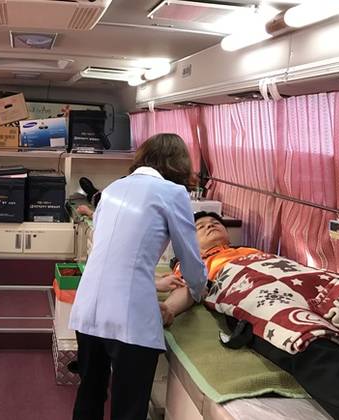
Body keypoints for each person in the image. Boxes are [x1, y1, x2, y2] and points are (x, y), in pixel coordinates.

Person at [68, 133, 208, 420]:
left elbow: (113, 254)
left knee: (90, 394)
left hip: (88, 309)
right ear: (179, 164)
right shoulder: (173, 193)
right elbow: (190, 259)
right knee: (129, 408)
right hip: (129, 317)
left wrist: (154, 282)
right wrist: (199, 290)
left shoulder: (113, 189)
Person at [164, 211, 339, 420]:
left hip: (304, 280)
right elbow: (187, 289)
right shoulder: (193, 263)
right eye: (200, 226)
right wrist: (169, 309)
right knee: (304, 339)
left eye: (215, 222)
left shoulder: (253, 251)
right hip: (255, 293)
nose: (210, 225)